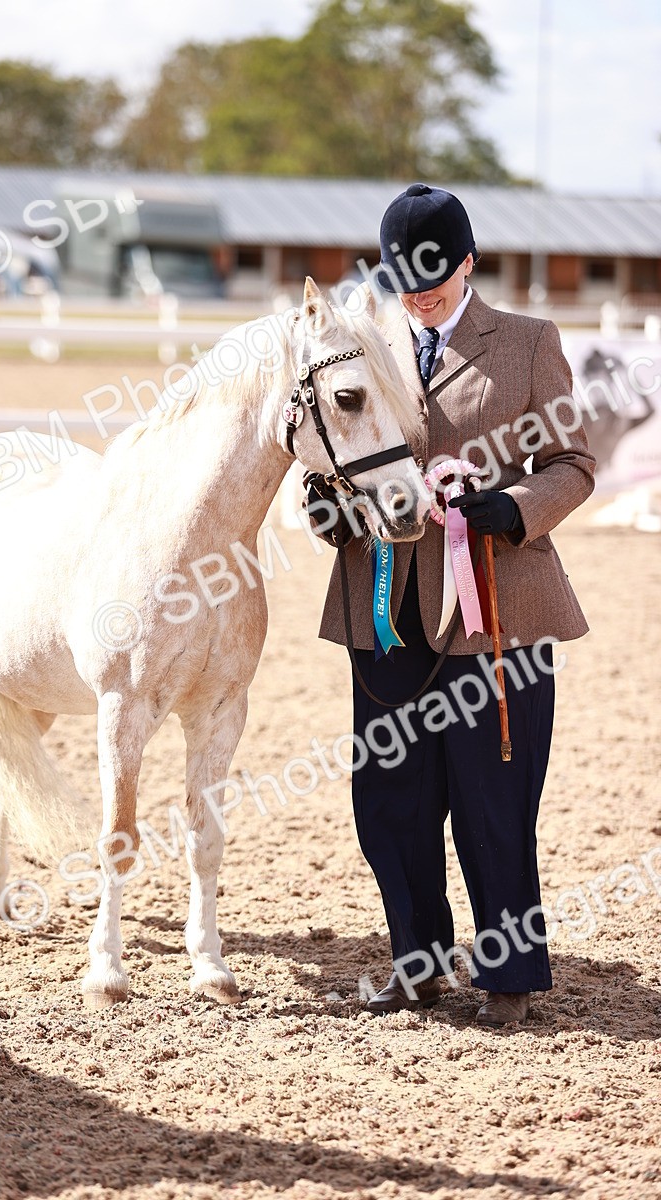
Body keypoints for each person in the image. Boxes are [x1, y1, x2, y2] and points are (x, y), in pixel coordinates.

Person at [315, 183, 596, 1027]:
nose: (419, 296)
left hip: (497, 610)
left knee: (493, 798)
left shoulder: (528, 343)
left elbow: (574, 464)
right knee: (390, 800)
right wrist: (324, 509)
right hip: (385, 605)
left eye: (434, 278)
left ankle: (509, 977)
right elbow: (332, 453)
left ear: (468, 260)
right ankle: (418, 963)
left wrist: (511, 510)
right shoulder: (363, 345)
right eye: (404, 281)